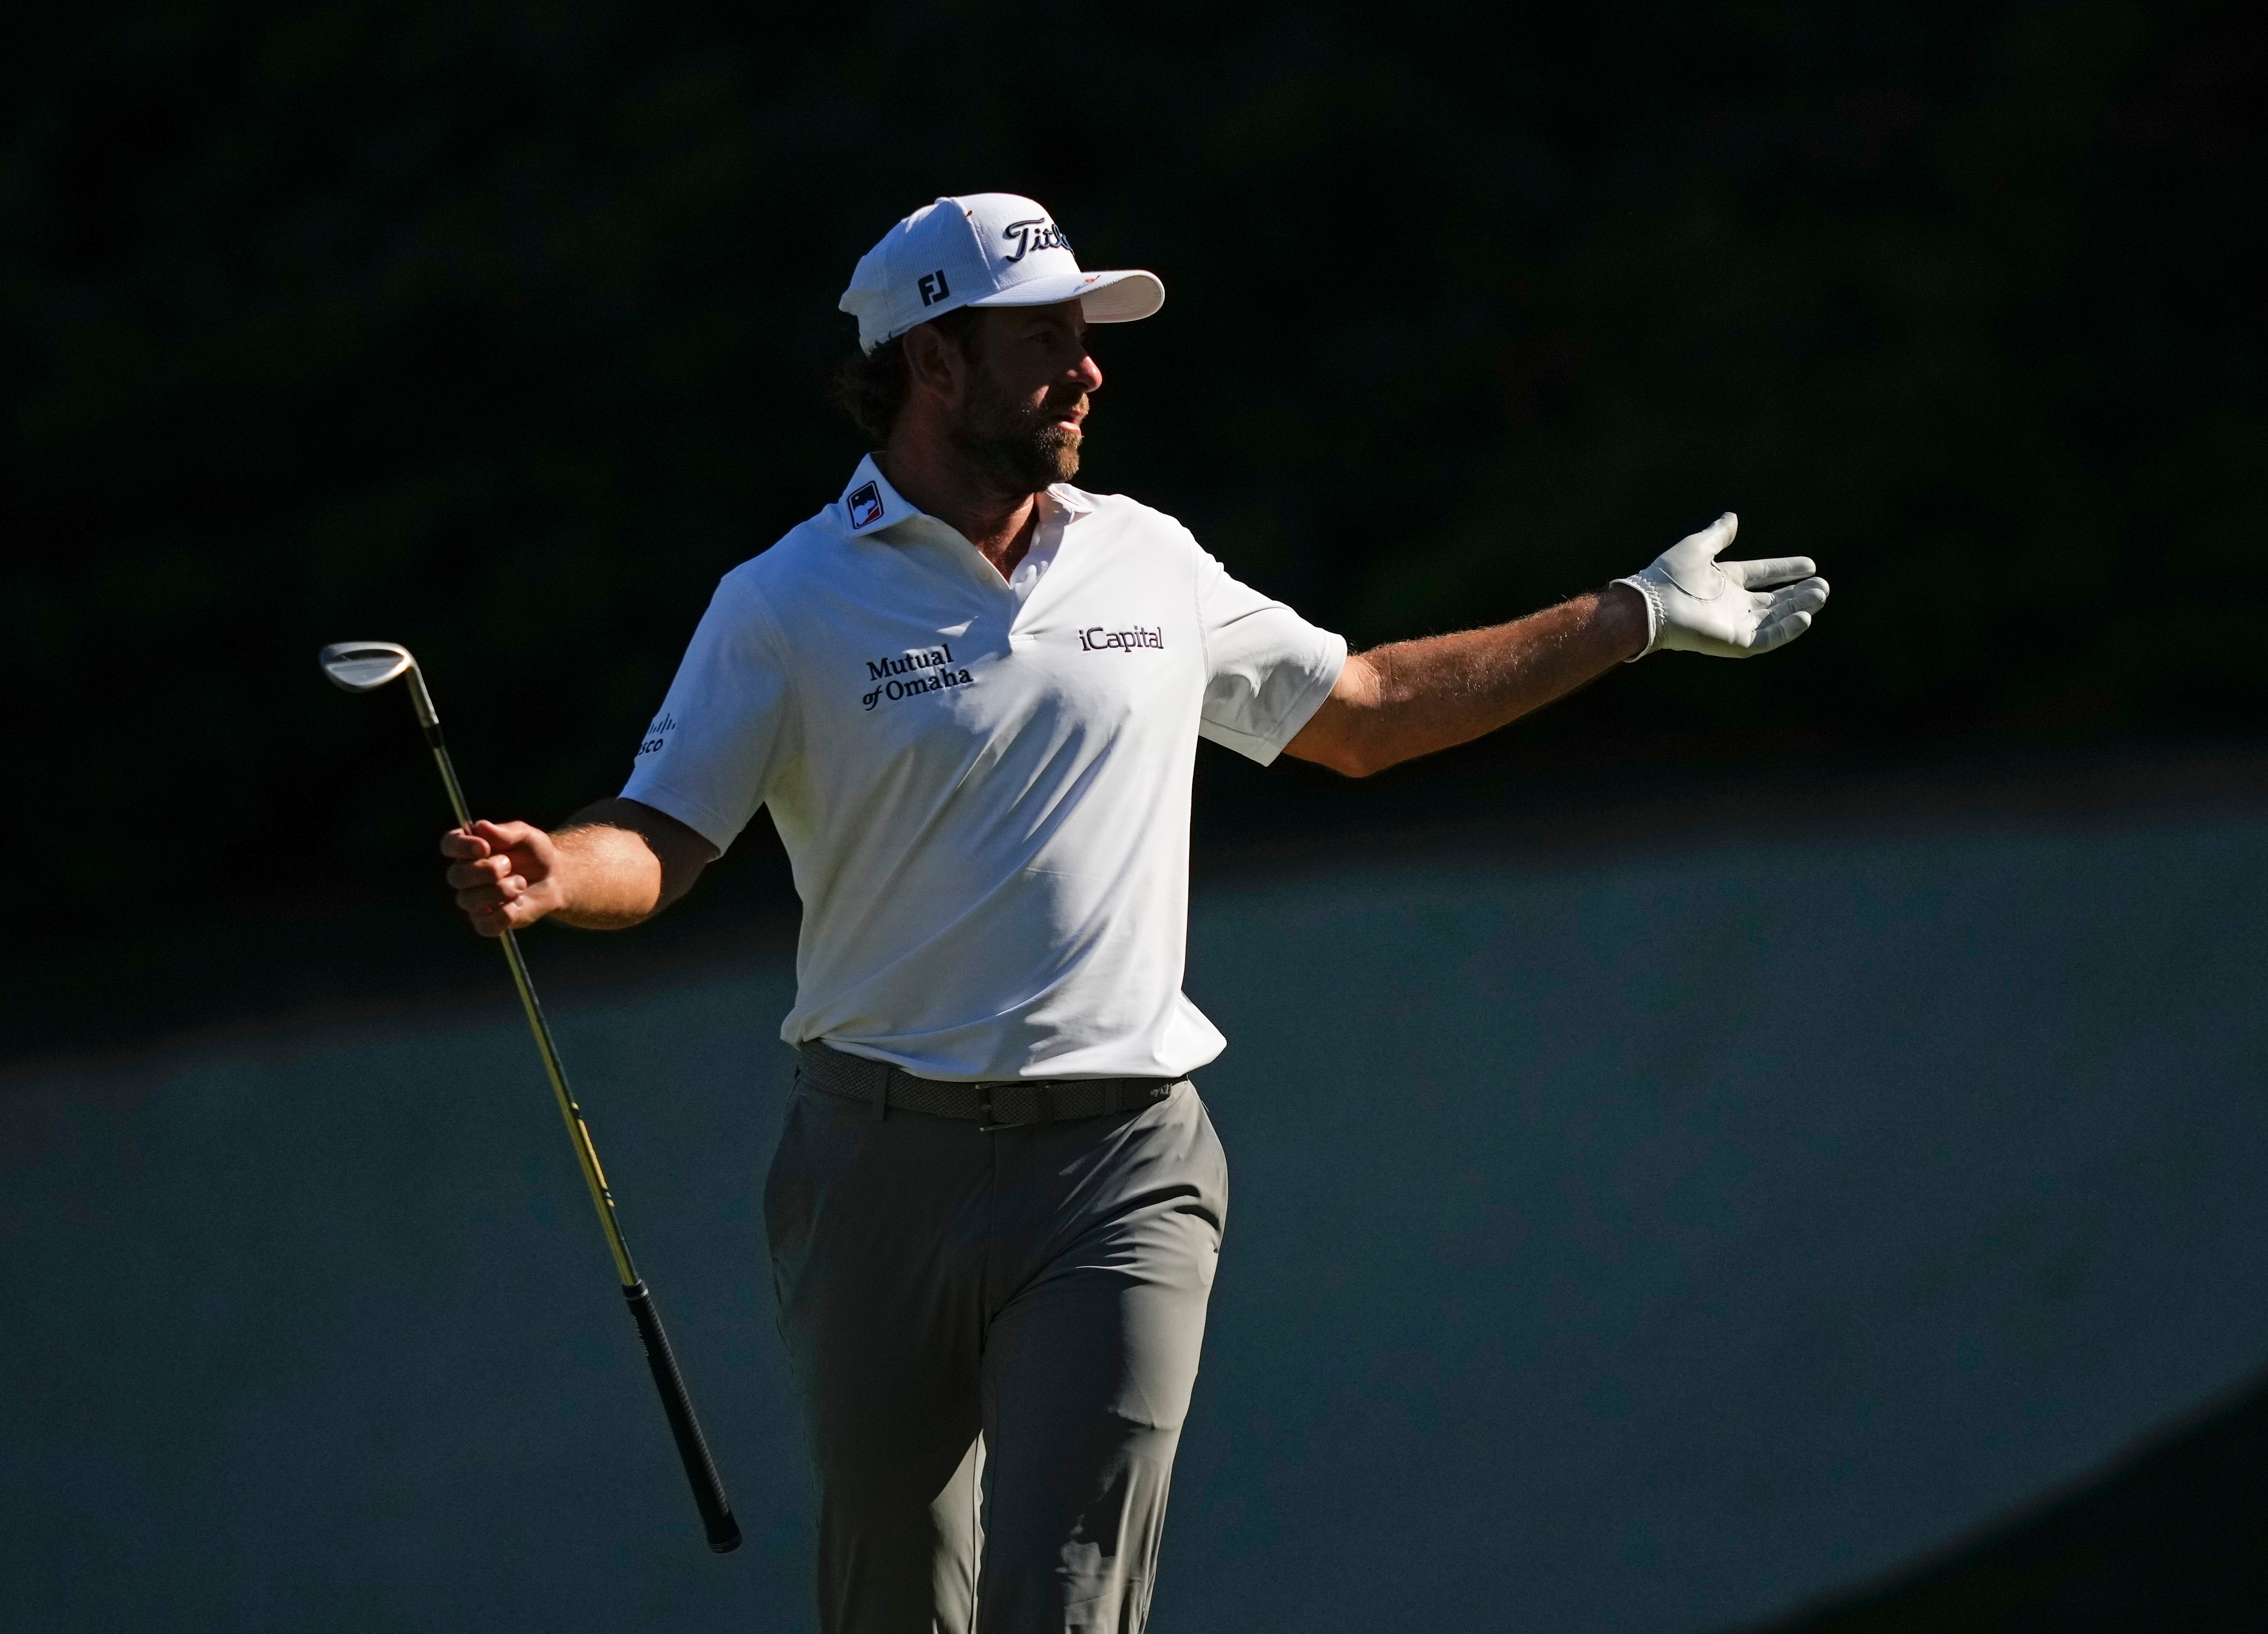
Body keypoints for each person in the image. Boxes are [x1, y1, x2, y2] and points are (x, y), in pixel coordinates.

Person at [440, 193, 1828, 1633]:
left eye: (1085, 339)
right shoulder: (782, 603)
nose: (1088, 369)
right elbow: (663, 836)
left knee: (1067, 1602)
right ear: (932, 362)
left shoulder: (1148, 561)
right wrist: (555, 871)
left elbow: (1359, 714)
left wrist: (1633, 615)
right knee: (895, 1601)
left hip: (1119, 1168)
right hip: (872, 1172)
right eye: (1046, 340)